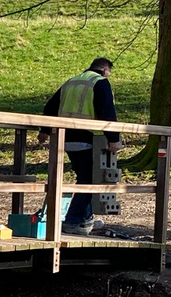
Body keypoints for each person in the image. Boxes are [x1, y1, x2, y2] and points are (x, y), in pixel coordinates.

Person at [41, 58, 120, 234]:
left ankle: (85, 218)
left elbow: (51, 106)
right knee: (89, 180)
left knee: (83, 177)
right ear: (106, 70)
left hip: (65, 137)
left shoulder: (71, 81)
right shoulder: (100, 83)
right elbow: (107, 111)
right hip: (89, 138)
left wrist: (44, 130)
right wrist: (114, 138)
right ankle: (74, 220)